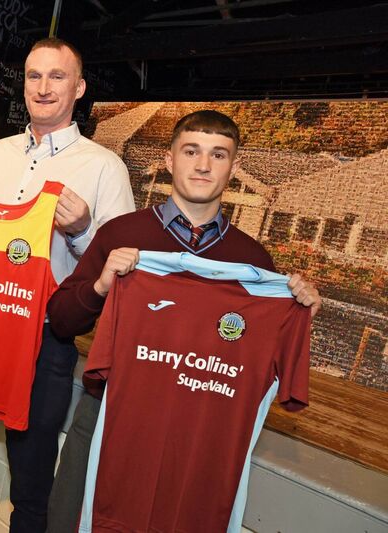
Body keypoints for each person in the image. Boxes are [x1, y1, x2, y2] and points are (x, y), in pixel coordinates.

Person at [45, 109, 321, 533]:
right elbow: (61, 320)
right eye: (191, 151)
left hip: (198, 432)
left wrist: (297, 309)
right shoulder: (123, 233)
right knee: (72, 521)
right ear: (170, 160)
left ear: (233, 167)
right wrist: (100, 285)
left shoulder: (252, 261)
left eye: (218, 154)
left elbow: (265, 358)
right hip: (109, 413)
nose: (203, 165)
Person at [0, 38, 136, 532]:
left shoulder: (104, 168)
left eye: (57, 76)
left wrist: (85, 229)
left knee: (31, 483)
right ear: (23, 83)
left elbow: (123, 273)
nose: (43, 88)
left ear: (80, 87)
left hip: (44, 341)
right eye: (33, 76)